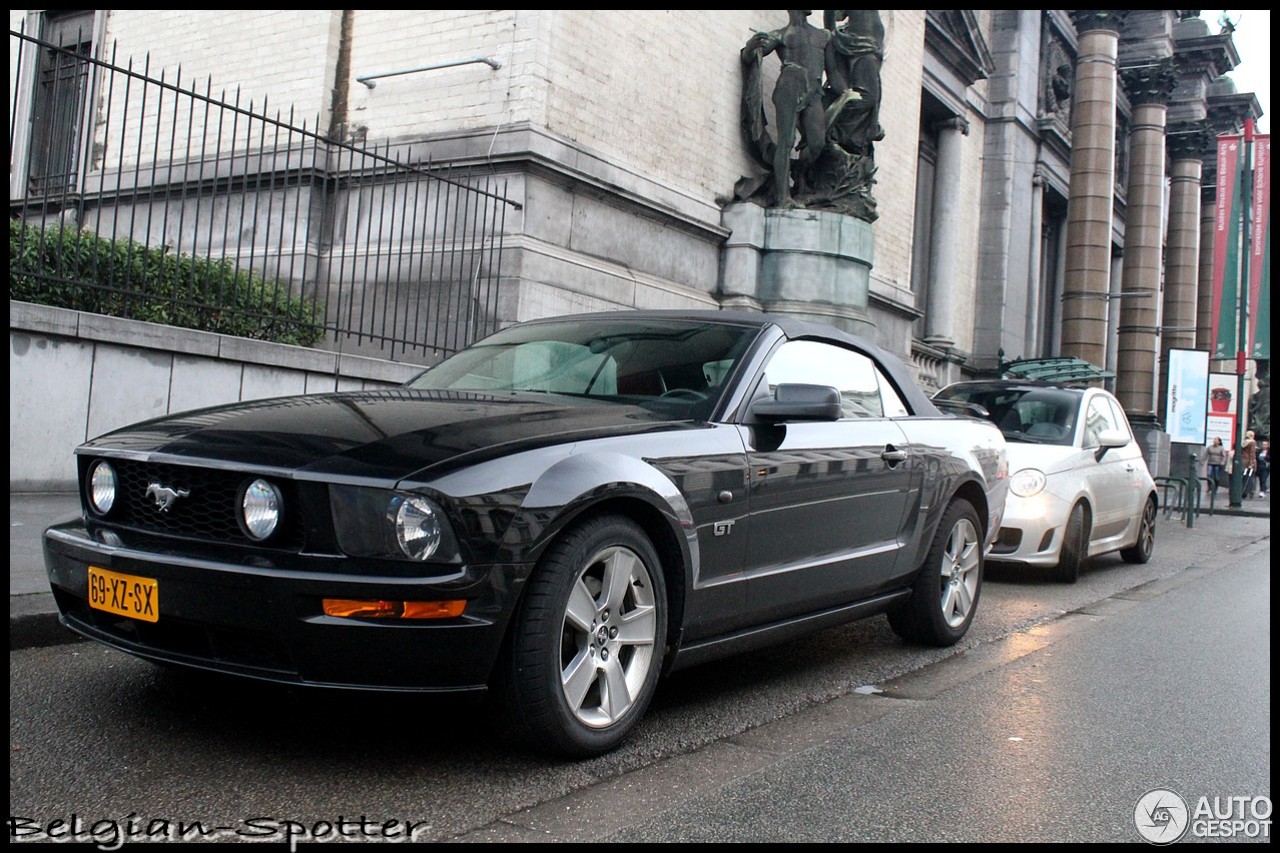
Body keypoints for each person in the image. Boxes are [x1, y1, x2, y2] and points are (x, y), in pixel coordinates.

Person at [1240, 429, 1258, 498]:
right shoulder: (1252, 442)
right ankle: (1247, 491)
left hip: (1243, 461)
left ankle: (1241, 490)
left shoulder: (1244, 442)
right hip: (1248, 462)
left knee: (1243, 477)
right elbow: (1252, 453)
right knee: (1250, 478)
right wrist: (1252, 463)